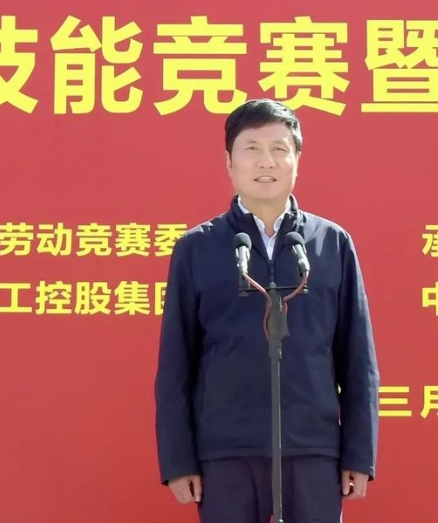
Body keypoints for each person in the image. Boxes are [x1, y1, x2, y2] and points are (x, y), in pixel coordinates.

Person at [154, 98, 380, 523]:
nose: (266, 162)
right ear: (230, 162)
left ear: (297, 160)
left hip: (313, 451)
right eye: (252, 149)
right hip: (226, 452)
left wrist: (358, 453)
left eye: (279, 149)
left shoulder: (331, 244)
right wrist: (179, 459)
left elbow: (357, 359)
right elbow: (176, 363)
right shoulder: (198, 248)